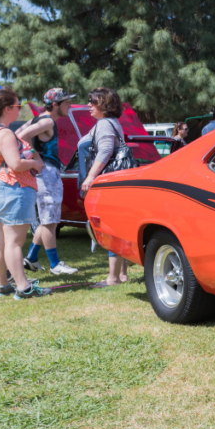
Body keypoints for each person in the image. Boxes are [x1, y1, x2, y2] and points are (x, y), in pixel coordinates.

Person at [0, 86, 51, 299]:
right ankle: (23, 287)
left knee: (0, 240)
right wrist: (35, 163)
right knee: (14, 242)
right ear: (7, 108)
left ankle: (2, 285)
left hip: (0, 189)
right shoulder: (5, 133)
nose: (20, 109)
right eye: (18, 106)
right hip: (14, 189)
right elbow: (16, 164)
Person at [16, 88, 79, 275]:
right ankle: (55, 265)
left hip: (43, 174)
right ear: (55, 104)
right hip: (46, 173)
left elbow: (18, 133)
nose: (69, 105)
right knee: (50, 221)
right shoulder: (47, 120)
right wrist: (37, 159)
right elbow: (20, 137)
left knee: (46, 220)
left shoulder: (38, 119)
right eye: (66, 102)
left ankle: (32, 258)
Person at [81, 87, 128, 287]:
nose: (88, 105)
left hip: (107, 182)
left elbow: (106, 150)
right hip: (116, 181)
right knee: (118, 225)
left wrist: (91, 176)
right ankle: (122, 274)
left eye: (93, 102)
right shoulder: (109, 123)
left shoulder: (104, 124)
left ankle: (113, 278)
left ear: (103, 104)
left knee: (109, 227)